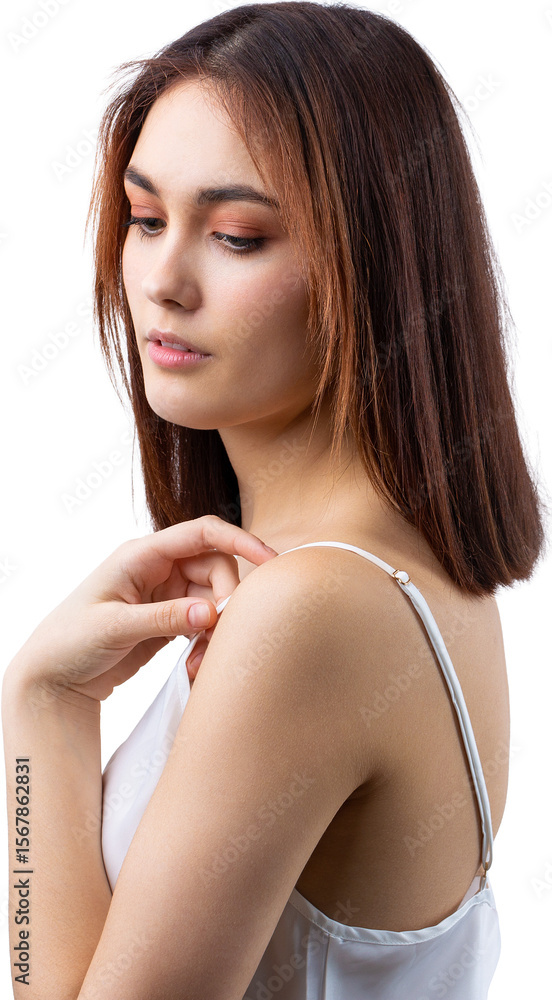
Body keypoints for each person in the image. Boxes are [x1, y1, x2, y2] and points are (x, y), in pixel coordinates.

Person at [2, 3, 546, 998]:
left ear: (374, 265)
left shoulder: (313, 611)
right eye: (146, 218)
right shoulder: (394, 569)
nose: (162, 280)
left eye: (237, 236)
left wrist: (43, 707)